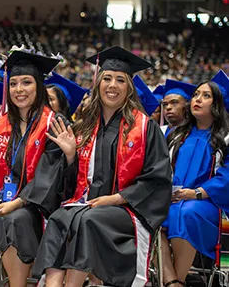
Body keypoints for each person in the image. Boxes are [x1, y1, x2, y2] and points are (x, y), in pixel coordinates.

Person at [33, 46, 172, 287]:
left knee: (87, 220)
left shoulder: (144, 128)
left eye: (120, 80)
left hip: (128, 210)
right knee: (58, 218)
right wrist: (69, 155)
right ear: (97, 84)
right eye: (106, 78)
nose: (112, 85)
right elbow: (72, 183)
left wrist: (116, 199)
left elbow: (157, 179)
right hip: (88, 205)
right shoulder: (86, 127)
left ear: (129, 87)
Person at [0, 48, 76, 287]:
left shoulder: (53, 122)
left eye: (26, 82)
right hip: (3, 199)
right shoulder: (0, 124)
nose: (18, 89)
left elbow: (50, 174)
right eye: (13, 84)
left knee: (15, 220)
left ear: (39, 87)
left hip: (39, 204)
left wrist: (17, 202)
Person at [161, 71, 229, 287]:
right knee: (149, 216)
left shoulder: (225, 138)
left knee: (187, 212)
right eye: (196, 94)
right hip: (173, 200)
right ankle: (173, 282)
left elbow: (227, 176)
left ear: (217, 104)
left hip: (210, 204)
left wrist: (196, 193)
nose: (197, 99)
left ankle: (176, 279)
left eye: (206, 96)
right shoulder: (175, 135)